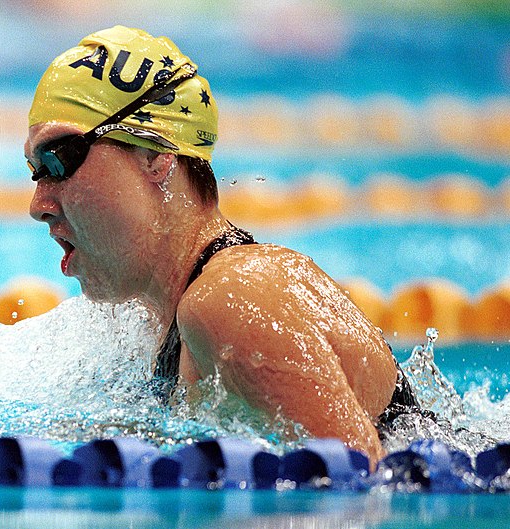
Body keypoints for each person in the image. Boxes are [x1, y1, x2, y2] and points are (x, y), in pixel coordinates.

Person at [24, 26, 400, 466]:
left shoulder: (232, 297)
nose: (39, 205)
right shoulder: (163, 322)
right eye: (35, 170)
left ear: (156, 155)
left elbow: (357, 483)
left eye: (59, 159)